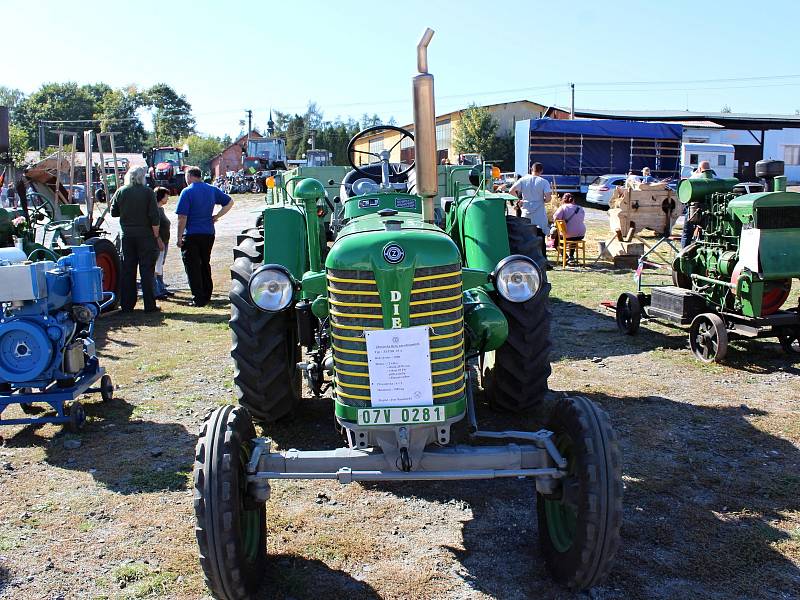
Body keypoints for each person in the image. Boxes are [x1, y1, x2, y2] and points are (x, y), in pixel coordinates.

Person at [176, 166, 234, 307]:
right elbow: (229, 202)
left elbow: (182, 217)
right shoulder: (211, 189)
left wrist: (178, 237)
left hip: (191, 234)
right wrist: (217, 216)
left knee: (192, 266)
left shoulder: (187, 191)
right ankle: (207, 293)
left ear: (189, 176)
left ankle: (198, 297)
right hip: (208, 232)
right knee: (204, 263)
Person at [110, 166, 163, 313]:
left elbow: (113, 212)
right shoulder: (148, 192)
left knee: (128, 270)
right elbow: (154, 216)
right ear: (142, 177)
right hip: (145, 236)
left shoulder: (121, 191)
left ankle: (127, 305)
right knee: (147, 270)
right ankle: (149, 304)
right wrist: (157, 236)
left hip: (127, 235)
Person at [509, 162, 551, 261]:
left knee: (525, 235)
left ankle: (525, 258)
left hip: (526, 209)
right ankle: (543, 258)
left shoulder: (523, 180)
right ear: (541, 171)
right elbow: (548, 198)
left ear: (531, 169)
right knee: (540, 235)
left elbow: (511, 190)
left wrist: (519, 200)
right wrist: (543, 200)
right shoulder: (544, 182)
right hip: (539, 210)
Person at [681, 161, 717, 248]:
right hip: (709, 210)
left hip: (694, 210)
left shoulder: (695, 177)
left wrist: (695, 173)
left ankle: (684, 253)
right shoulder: (715, 178)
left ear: (700, 169)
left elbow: (686, 188)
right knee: (705, 233)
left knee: (687, 233)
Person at [550, 193, 586, 265]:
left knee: (556, 243)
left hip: (567, 234)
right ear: (573, 200)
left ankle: (565, 257)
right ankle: (571, 256)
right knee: (573, 238)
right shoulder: (580, 208)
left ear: (563, 200)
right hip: (581, 234)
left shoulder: (563, 207)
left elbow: (556, 218)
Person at [153, 187, 171, 299]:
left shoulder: (161, 209)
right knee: (156, 267)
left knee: (160, 266)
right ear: (161, 197)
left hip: (165, 240)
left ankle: (161, 288)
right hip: (159, 242)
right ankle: (156, 291)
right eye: (166, 196)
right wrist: (158, 239)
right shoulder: (155, 210)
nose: (168, 198)